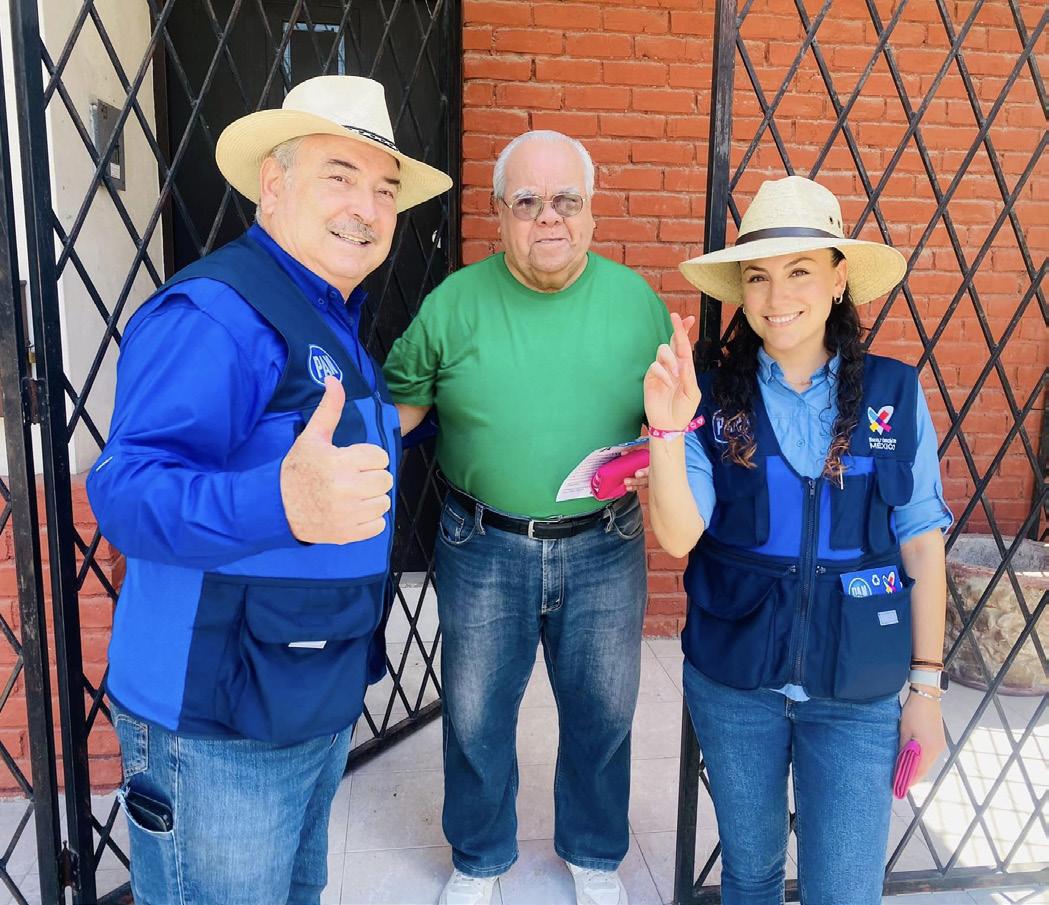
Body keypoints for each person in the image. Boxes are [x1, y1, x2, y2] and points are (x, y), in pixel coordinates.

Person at [87, 76, 451, 905]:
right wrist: (280, 504)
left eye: (385, 189)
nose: (366, 207)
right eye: (339, 176)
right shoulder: (218, 314)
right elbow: (126, 490)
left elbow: (320, 445)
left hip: (303, 702)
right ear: (273, 184)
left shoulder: (327, 313)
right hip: (216, 724)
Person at [643, 175, 951, 905]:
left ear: (839, 280)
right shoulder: (710, 396)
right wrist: (666, 429)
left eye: (800, 270)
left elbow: (920, 545)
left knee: (843, 888)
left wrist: (927, 689)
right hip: (736, 682)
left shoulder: (893, 394)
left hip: (858, 690)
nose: (776, 295)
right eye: (758, 276)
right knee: (749, 876)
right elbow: (679, 535)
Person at [383, 130, 671, 905]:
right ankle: (479, 857)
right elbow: (402, 403)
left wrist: (659, 452)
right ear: (498, 212)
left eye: (567, 199)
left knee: (602, 709)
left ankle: (593, 851)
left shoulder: (637, 304)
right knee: (475, 712)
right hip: (483, 541)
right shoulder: (452, 304)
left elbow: (669, 419)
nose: (550, 216)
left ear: (591, 209)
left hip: (604, 541)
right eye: (528, 200)